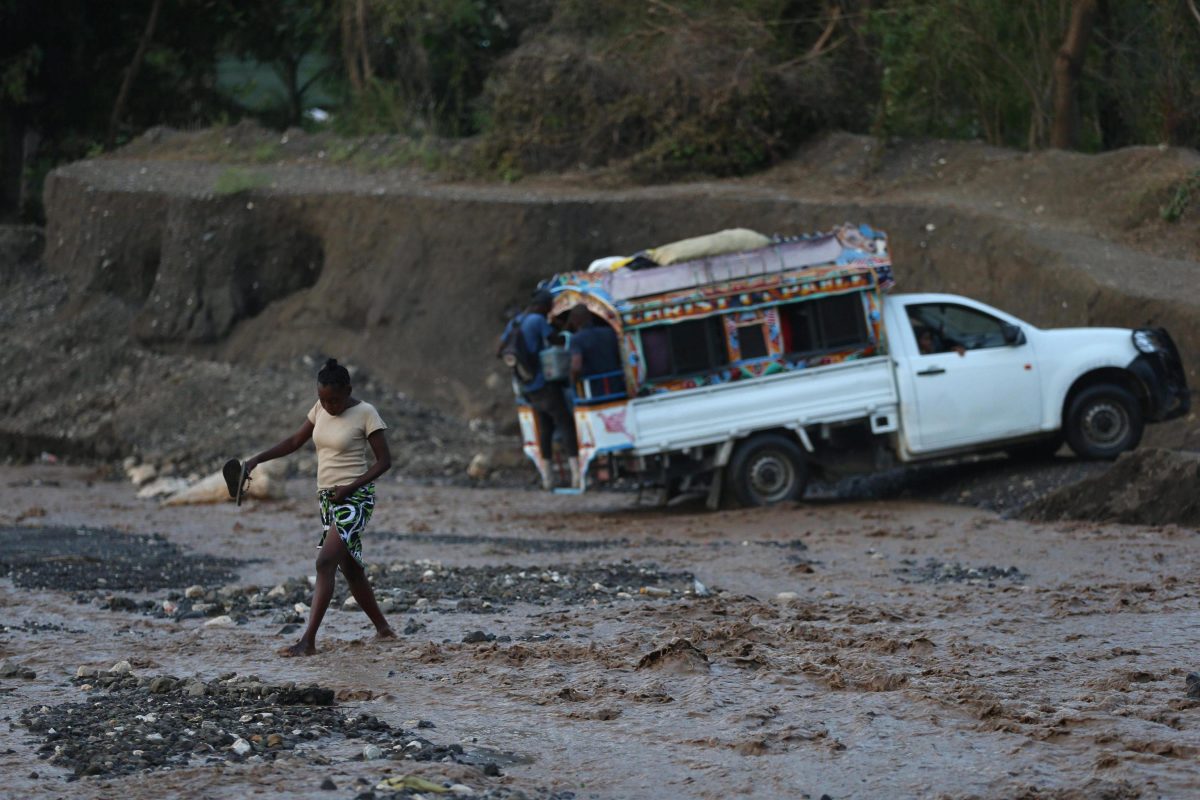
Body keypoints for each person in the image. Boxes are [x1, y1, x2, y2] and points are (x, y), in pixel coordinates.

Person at [244, 358, 396, 656]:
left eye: (335, 400)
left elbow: (384, 461)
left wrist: (350, 488)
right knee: (349, 568)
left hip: (355, 498)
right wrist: (256, 459)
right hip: (328, 499)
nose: (329, 406)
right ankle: (384, 629)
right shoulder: (320, 409)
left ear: (348, 390)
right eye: (323, 400)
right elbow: (293, 441)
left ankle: (308, 641)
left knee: (325, 562)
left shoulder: (366, 413)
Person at [501, 289, 579, 489]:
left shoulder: (516, 322)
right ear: (544, 305)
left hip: (526, 385)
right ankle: (577, 474)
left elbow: (501, 348)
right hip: (543, 383)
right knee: (565, 423)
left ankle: (547, 478)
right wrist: (569, 331)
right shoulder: (537, 320)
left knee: (545, 428)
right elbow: (556, 340)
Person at [567, 305, 625, 397]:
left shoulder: (576, 339)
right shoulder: (609, 332)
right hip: (617, 386)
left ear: (574, 320)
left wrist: (572, 381)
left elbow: (576, 367)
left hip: (594, 390)